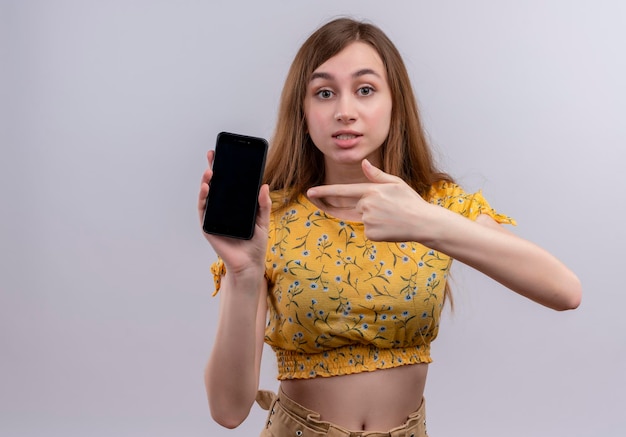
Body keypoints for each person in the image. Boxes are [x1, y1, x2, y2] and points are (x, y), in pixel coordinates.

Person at [197, 17, 581, 437]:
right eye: (324, 93)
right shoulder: (273, 219)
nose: (345, 111)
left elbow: (564, 291)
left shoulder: (437, 206)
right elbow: (228, 410)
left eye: (365, 90)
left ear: (394, 103)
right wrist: (244, 272)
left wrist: (425, 221)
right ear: (303, 112)